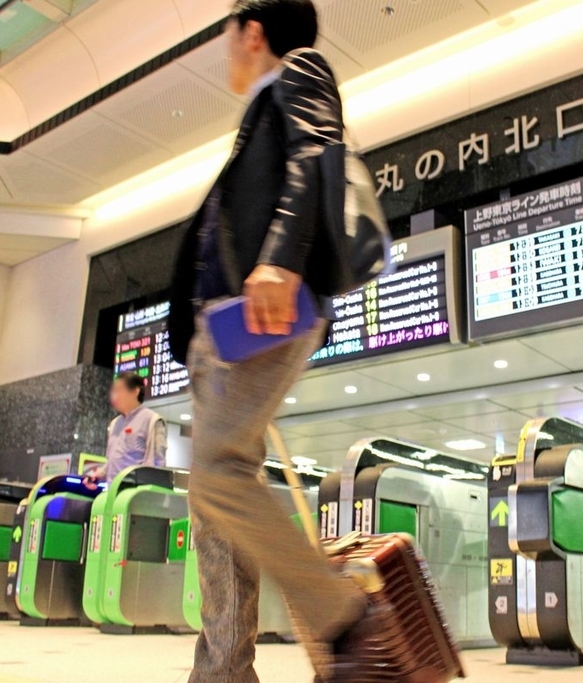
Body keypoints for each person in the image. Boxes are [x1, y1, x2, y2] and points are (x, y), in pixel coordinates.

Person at [167, 2, 379, 681]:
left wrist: (282, 257)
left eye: (227, 33)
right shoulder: (260, 109)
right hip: (229, 323)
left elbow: (317, 154)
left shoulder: (302, 70)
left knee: (219, 475)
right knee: (216, 503)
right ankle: (224, 669)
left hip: (267, 305)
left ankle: (340, 611)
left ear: (251, 30)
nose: (226, 47)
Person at [84, 371, 167, 486]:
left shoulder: (152, 420)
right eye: (113, 391)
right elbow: (112, 462)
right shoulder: (114, 424)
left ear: (135, 391)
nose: (114, 395)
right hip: (111, 491)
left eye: (119, 390)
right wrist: (97, 475)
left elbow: (157, 463)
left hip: (135, 494)